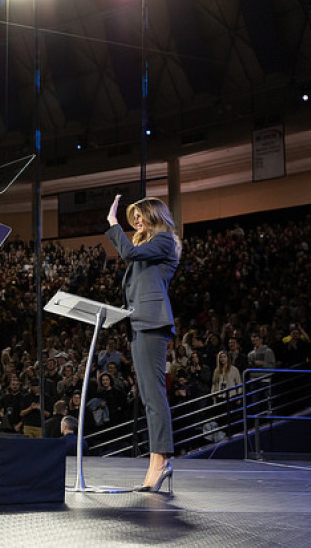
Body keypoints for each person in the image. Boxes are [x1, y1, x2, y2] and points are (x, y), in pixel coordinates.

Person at [107, 194, 179, 492]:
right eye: (132, 217)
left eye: (140, 215)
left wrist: (113, 224)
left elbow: (127, 254)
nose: (135, 221)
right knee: (149, 397)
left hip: (151, 322)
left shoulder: (164, 240)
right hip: (139, 323)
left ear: (155, 214)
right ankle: (157, 461)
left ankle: (160, 461)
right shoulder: (146, 247)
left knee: (154, 396)